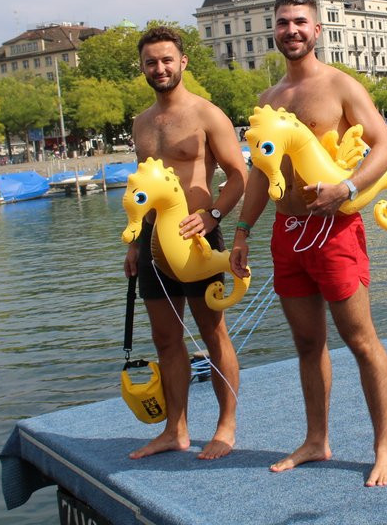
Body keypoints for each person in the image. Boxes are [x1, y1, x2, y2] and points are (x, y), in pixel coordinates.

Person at [230, 0, 387, 487]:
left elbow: (386, 146)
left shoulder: (340, 86)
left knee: (360, 340)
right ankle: (316, 439)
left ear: (317, 29)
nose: (292, 31)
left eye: (300, 22)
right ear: (275, 32)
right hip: (287, 233)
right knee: (307, 343)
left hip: (335, 232)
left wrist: (347, 187)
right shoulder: (269, 99)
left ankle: (384, 446)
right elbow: (262, 174)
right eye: (283, 23)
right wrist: (241, 231)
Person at [123, 25, 248, 461]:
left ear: (183, 62)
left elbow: (239, 176)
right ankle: (175, 430)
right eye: (151, 62)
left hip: (198, 240)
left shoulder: (207, 114)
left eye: (166, 60)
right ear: (142, 67)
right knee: (166, 339)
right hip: (155, 245)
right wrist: (133, 244)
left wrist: (213, 215)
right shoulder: (140, 123)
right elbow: (144, 190)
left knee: (214, 336)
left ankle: (226, 425)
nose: (159, 68)